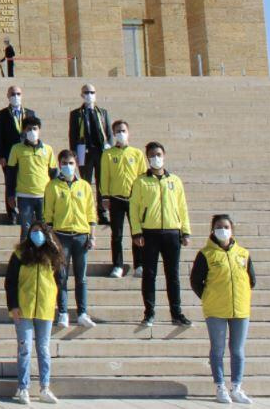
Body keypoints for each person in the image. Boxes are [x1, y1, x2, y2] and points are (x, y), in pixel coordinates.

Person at [191, 214, 256, 405]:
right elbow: (196, 281)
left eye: (226, 226)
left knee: (237, 350)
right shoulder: (206, 254)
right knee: (217, 349)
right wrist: (209, 296)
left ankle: (236, 387)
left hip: (240, 309)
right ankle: (220, 386)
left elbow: (251, 279)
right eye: (219, 226)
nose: (223, 229)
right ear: (212, 229)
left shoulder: (243, 253)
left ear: (232, 229)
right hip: (216, 309)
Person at [130, 141, 193, 327]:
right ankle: (149, 313)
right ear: (147, 158)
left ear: (164, 155)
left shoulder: (175, 180)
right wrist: (136, 232)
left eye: (158, 154)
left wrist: (186, 231)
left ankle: (177, 313)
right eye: (151, 155)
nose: (155, 158)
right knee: (149, 274)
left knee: (172, 274)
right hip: (149, 233)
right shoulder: (141, 181)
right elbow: (134, 209)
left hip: (172, 232)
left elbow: (182, 207)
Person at [6, 220, 63, 404]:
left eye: (40, 231)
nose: (36, 234)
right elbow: (10, 281)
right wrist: (13, 306)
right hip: (24, 308)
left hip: (45, 308)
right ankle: (23, 388)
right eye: (34, 231)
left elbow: (61, 278)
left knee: (44, 349)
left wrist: (55, 249)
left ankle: (44, 387)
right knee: (25, 349)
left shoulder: (51, 255)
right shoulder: (20, 253)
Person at [43, 150, 97, 328]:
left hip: (81, 235)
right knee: (62, 276)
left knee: (81, 277)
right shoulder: (53, 187)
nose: (68, 166)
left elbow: (91, 212)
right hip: (61, 236)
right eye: (64, 163)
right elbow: (48, 215)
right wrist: (51, 239)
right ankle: (63, 312)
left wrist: (92, 235)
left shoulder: (84, 186)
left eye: (71, 163)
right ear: (59, 165)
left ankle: (82, 312)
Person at [99, 120, 147, 278]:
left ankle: (139, 264)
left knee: (137, 232)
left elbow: (143, 176)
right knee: (117, 234)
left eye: (123, 130)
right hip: (116, 198)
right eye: (118, 131)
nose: (121, 134)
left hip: (134, 199)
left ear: (128, 132)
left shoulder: (137, 153)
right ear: (113, 134)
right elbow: (104, 176)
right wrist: (105, 196)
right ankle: (118, 265)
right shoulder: (108, 154)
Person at [68, 84, 112, 225]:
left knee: (102, 183)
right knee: (85, 182)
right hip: (84, 150)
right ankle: (86, 212)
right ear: (82, 95)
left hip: (100, 151)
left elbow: (108, 132)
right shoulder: (76, 114)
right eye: (86, 92)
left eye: (92, 92)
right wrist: (73, 151)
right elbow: (73, 134)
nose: (89, 95)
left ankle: (101, 212)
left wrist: (109, 146)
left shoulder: (102, 112)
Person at [7, 117, 58, 232]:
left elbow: (54, 173)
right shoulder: (16, 149)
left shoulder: (48, 149)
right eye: (29, 129)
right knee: (26, 230)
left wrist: (55, 194)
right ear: (24, 131)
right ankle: (26, 251)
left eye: (35, 129)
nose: (32, 132)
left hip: (44, 195)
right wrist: (10, 195)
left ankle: (45, 251)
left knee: (45, 230)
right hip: (24, 196)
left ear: (39, 130)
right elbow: (10, 174)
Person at [0, 86, 33, 225]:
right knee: (10, 183)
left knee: (26, 182)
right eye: (13, 94)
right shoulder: (2, 114)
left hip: (26, 154)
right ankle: (11, 213)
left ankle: (25, 212)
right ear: (8, 96)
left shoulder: (29, 113)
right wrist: (0, 155)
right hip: (9, 155)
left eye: (18, 94)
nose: (15, 96)